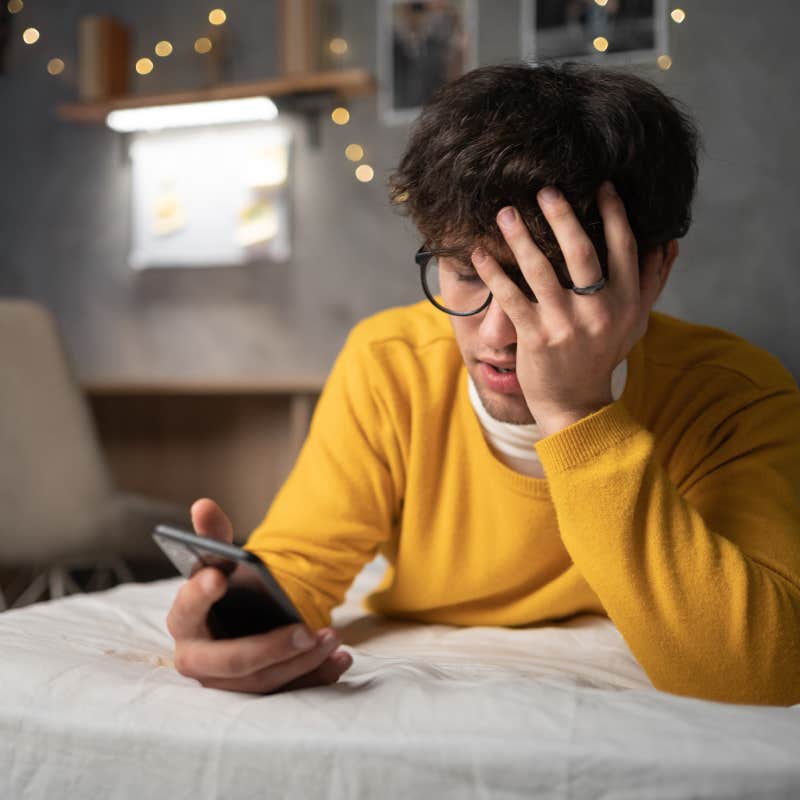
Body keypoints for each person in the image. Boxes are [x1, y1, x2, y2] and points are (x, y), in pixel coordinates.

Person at [166, 63, 800, 704]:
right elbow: (303, 565)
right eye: (468, 273)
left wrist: (578, 412)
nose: (498, 333)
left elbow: (763, 671)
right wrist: (234, 612)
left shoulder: (734, 394)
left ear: (656, 269)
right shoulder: (391, 363)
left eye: (554, 284)